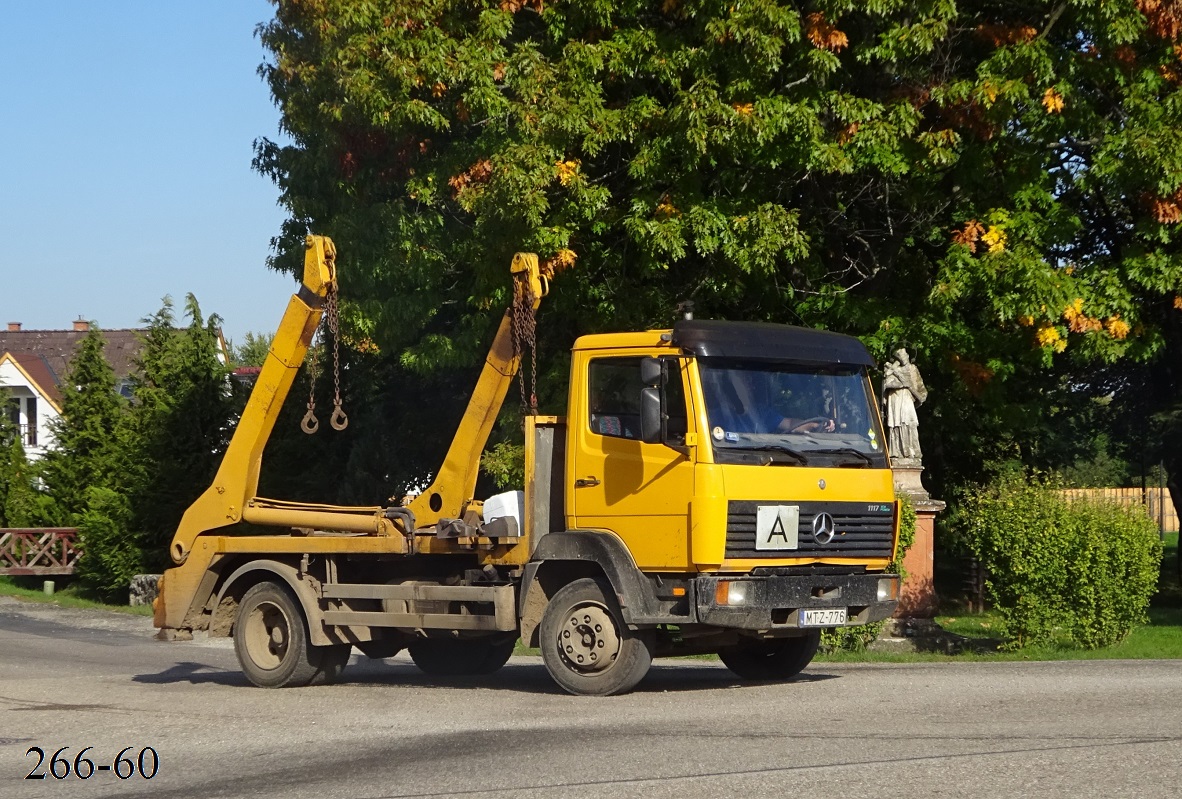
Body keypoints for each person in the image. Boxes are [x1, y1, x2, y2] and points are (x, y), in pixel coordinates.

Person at [882, 348, 927, 461]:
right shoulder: (892, 369)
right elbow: (887, 384)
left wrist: (918, 395)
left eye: (905, 356)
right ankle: (897, 452)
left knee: (910, 422)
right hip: (896, 399)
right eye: (901, 357)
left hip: (907, 399)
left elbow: (920, 388)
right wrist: (902, 384)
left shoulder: (913, 369)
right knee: (897, 424)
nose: (904, 358)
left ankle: (912, 451)